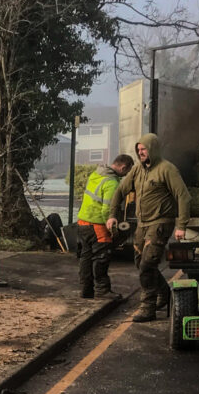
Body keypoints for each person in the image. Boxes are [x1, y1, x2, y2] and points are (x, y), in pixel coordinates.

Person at [107, 133, 190, 322]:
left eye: (143, 149)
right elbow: (120, 191)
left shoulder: (167, 169)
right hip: (142, 224)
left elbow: (183, 196)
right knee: (139, 262)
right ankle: (164, 292)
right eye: (138, 149)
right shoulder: (137, 170)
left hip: (160, 223)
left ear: (152, 148)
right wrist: (112, 215)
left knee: (147, 264)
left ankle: (147, 307)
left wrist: (181, 225)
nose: (140, 152)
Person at [77, 154, 134, 298]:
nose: (126, 175)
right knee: (101, 258)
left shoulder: (95, 174)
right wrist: (112, 229)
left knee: (86, 257)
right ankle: (102, 290)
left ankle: (86, 290)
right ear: (123, 167)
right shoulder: (111, 183)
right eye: (127, 171)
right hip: (98, 225)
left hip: (83, 222)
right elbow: (107, 210)